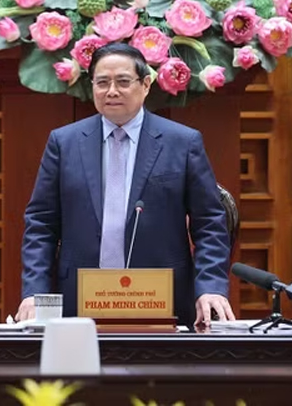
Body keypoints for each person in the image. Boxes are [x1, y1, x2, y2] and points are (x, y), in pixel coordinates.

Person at [16, 43, 235, 327]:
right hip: (79, 301)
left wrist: (211, 287)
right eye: (102, 82)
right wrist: (35, 293)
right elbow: (41, 224)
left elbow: (209, 223)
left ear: (145, 85)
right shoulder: (64, 142)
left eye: (122, 82)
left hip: (162, 301)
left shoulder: (182, 142)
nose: (112, 91)